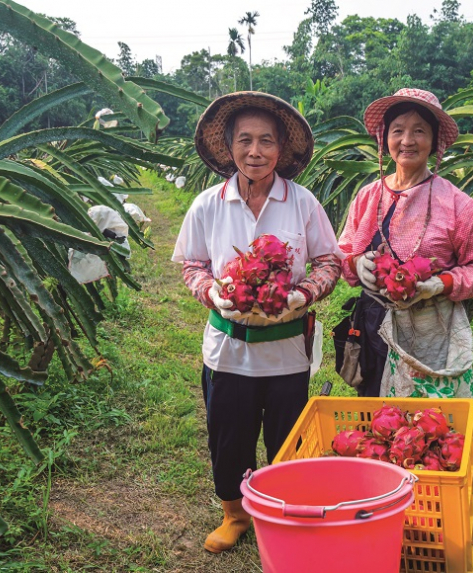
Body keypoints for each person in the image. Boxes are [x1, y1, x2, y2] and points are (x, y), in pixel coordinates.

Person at [171, 92, 342, 553]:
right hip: (228, 350)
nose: (255, 151)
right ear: (228, 147)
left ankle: (283, 512)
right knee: (229, 435)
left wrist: (301, 294)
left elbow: (329, 261)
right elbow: (192, 264)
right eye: (244, 140)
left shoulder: (302, 203)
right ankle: (235, 514)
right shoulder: (208, 204)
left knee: (287, 439)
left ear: (281, 150)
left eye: (266, 141)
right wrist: (213, 293)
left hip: (287, 350)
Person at [338, 88, 473, 399]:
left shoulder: (458, 204)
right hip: (373, 324)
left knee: (427, 424)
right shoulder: (367, 197)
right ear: (385, 137)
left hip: (431, 330)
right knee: (377, 420)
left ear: (435, 141)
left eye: (419, 131)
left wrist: (439, 284)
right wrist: (355, 263)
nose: (407, 141)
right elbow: (344, 251)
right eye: (397, 130)